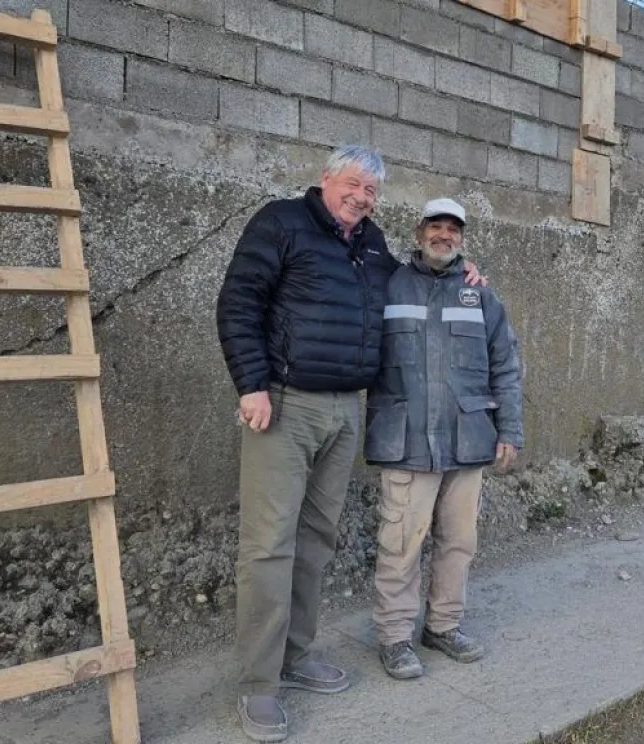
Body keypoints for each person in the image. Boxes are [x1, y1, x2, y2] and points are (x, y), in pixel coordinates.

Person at [215, 147, 484, 742]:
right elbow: (239, 302)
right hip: (283, 405)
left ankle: (296, 654)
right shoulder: (281, 222)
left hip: (345, 409)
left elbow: (416, 280)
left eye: (372, 191)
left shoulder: (371, 245)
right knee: (268, 545)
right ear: (327, 179)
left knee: (316, 538)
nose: (362, 197)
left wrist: (464, 275)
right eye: (354, 184)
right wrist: (251, 384)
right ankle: (259, 685)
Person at [363, 197, 523, 680]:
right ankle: (394, 637)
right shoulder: (387, 285)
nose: (444, 235)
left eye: (453, 229)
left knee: (458, 542)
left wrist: (509, 430)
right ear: (418, 233)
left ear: (463, 239)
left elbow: (507, 366)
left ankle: (442, 626)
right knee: (400, 544)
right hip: (406, 439)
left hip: (467, 439)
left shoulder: (481, 296)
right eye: (435, 226)